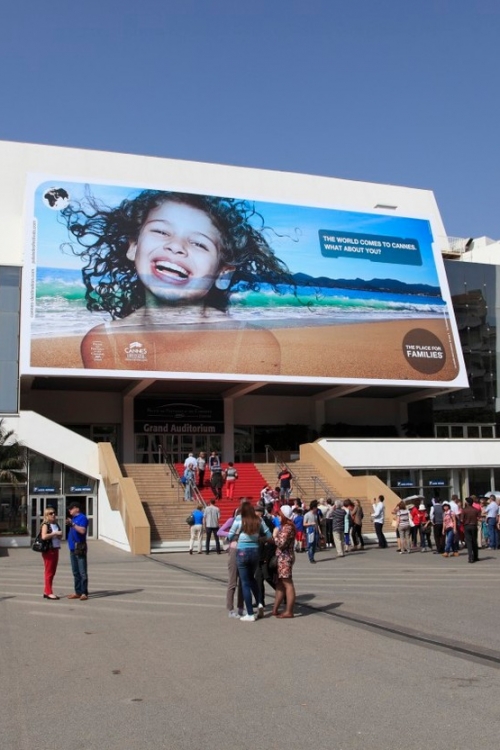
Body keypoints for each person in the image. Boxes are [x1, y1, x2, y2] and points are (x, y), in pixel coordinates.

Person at [62, 190, 295, 373]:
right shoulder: (104, 341)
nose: (176, 246)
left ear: (223, 273)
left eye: (199, 243)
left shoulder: (255, 345)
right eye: (161, 232)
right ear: (133, 247)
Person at [227, 501, 272, 622]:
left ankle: (250, 614)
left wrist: (232, 538)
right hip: (255, 551)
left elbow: (230, 535)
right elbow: (269, 535)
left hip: (242, 550)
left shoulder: (239, 519)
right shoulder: (259, 520)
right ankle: (259, 602)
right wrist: (259, 538)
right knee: (252, 578)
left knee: (245, 582)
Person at [218, 506, 244, 618]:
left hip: (244, 550)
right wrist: (231, 535)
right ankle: (230, 609)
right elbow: (220, 531)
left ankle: (241, 607)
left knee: (243, 582)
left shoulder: (246, 522)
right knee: (233, 581)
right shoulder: (232, 520)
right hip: (234, 550)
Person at [272, 506, 297, 618]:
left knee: (287, 583)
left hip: (285, 558)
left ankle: (289, 611)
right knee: (280, 584)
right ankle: (275, 609)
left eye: (279, 514)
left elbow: (281, 543)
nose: (278, 516)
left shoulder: (287, 527)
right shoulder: (285, 526)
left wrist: (274, 536)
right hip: (282, 558)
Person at [66, 502, 89, 600]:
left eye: (71, 508)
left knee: (82, 571)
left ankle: (84, 592)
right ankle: (78, 592)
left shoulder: (82, 518)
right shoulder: (73, 519)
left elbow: (82, 531)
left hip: (79, 547)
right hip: (72, 548)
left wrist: (73, 524)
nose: (69, 510)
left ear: (77, 509)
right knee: (75, 572)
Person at [40, 507, 63, 599]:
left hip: (56, 548)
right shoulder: (45, 525)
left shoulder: (56, 524)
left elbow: (60, 536)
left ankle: (46, 591)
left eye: (54, 513)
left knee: (52, 572)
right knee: (49, 571)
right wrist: (55, 533)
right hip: (48, 550)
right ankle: (49, 592)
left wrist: (59, 535)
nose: (53, 515)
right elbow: (44, 536)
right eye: (51, 513)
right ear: (46, 515)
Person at [462, 497, 481, 563]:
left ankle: (470, 557)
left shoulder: (464, 510)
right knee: (474, 541)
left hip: (467, 526)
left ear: (467, 503)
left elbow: (461, 519)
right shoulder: (475, 510)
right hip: (474, 526)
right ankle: (475, 556)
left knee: (469, 542)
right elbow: (479, 518)